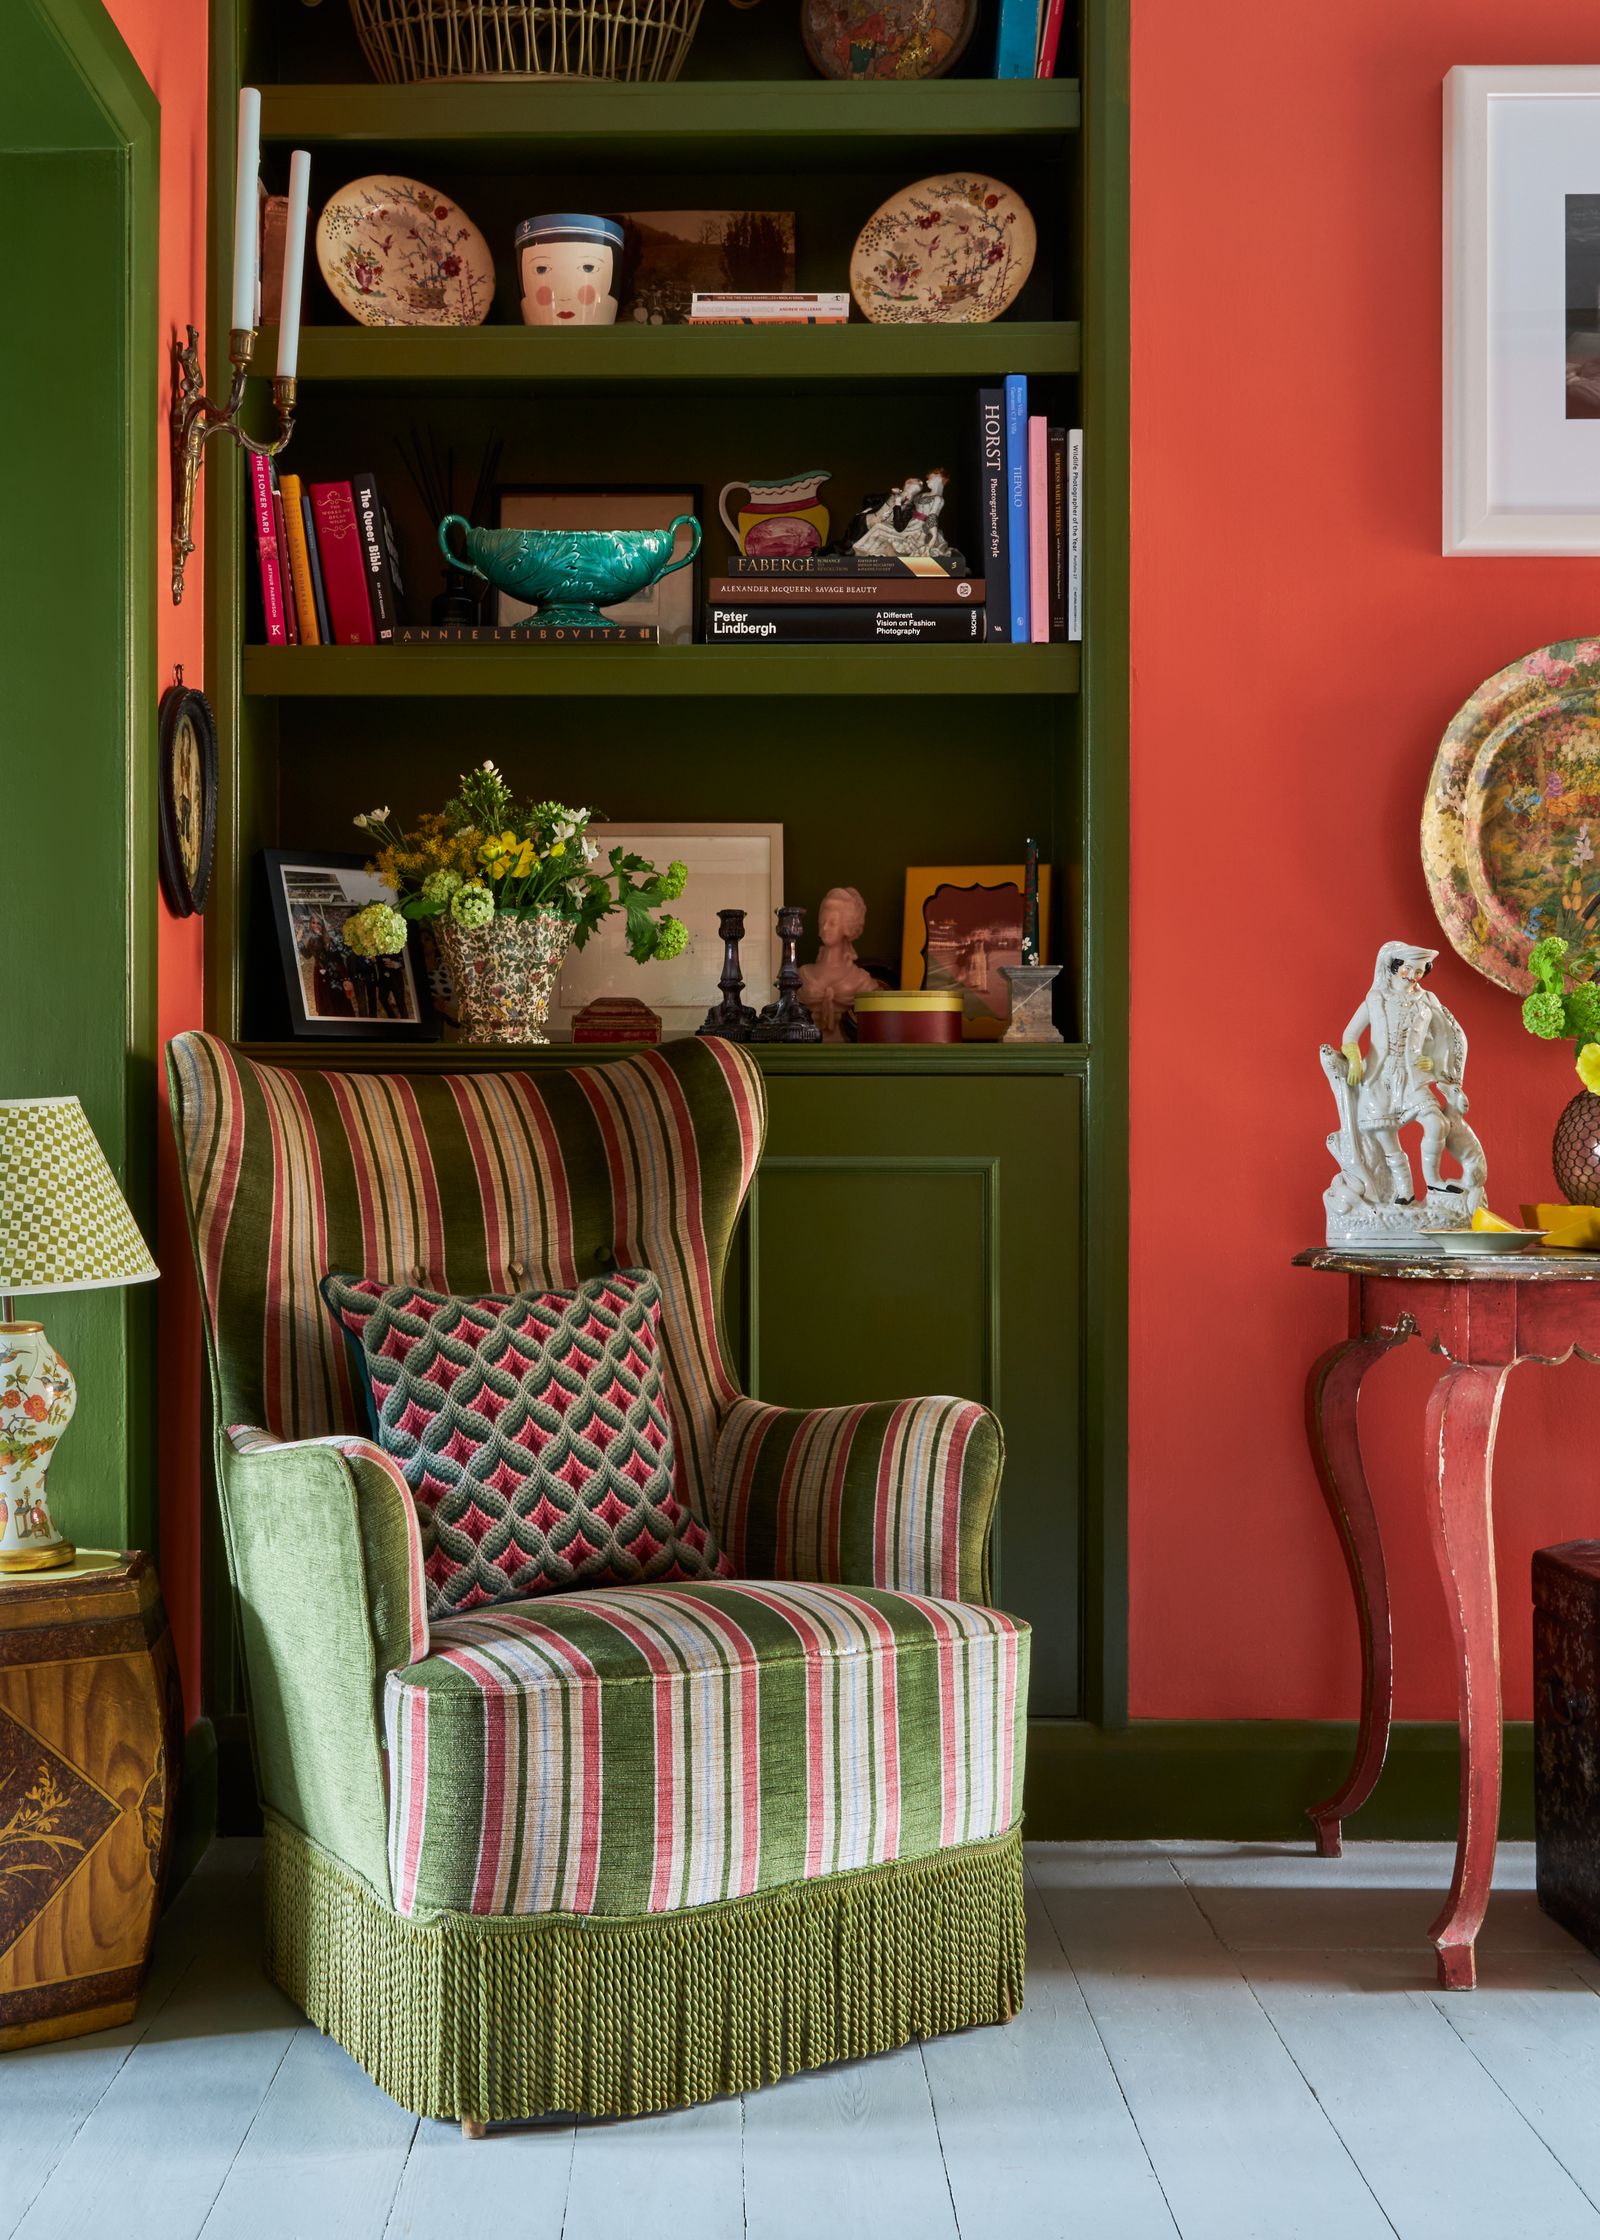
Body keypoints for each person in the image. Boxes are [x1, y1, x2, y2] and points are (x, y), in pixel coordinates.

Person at [798, 886, 880, 1039]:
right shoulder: (803, 974)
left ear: (847, 927)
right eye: (822, 921)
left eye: (832, 923)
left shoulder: (862, 980)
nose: (824, 927)